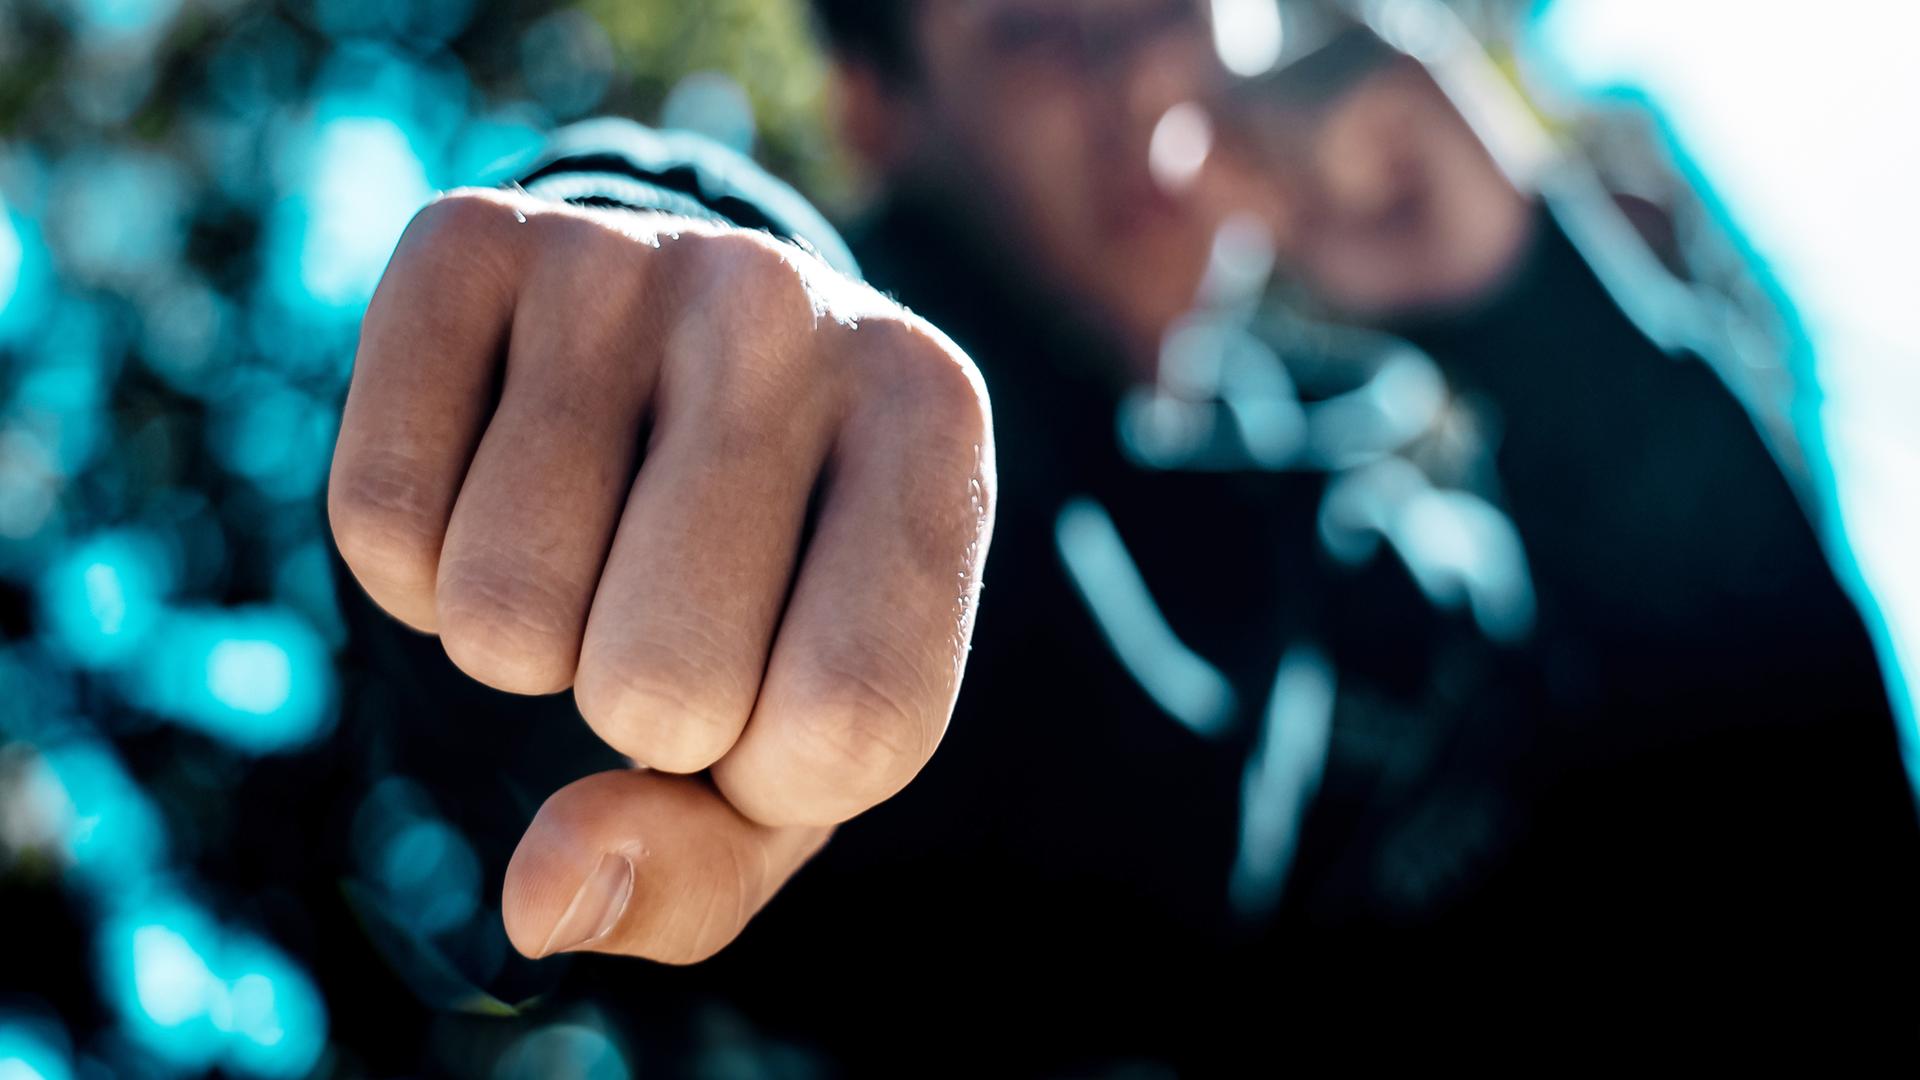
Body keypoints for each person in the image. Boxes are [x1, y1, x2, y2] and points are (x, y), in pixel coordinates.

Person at [323, 0, 1920, 1069]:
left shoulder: (1405, 536)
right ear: (878, 109)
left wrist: (1517, 296)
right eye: (1047, 31)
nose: (1156, 85)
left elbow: (1808, 849)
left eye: (1178, 7)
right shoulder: (869, 421)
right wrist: (632, 271)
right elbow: (776, 375)